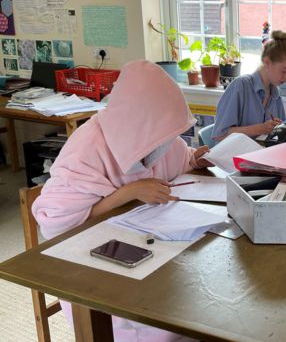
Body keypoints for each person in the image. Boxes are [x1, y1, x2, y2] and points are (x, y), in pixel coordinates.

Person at [32, 60, 212, 342]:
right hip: (94, 272)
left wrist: (195, 158)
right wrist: (127, 193)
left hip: (151, 248)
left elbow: (180, 157)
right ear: (139, 119)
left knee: (197, 302)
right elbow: (56, 226)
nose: (162, 139)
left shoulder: (154, 136)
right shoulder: (88, 146)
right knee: (172, 321)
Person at [211, 30, 286, 143]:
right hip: (233, 157)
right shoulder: (241, 86)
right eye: (284, 71)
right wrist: (260, 129)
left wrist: (278, 128)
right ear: (267, 62)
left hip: (260, 154)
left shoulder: (275, 93)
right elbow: (219, 135)